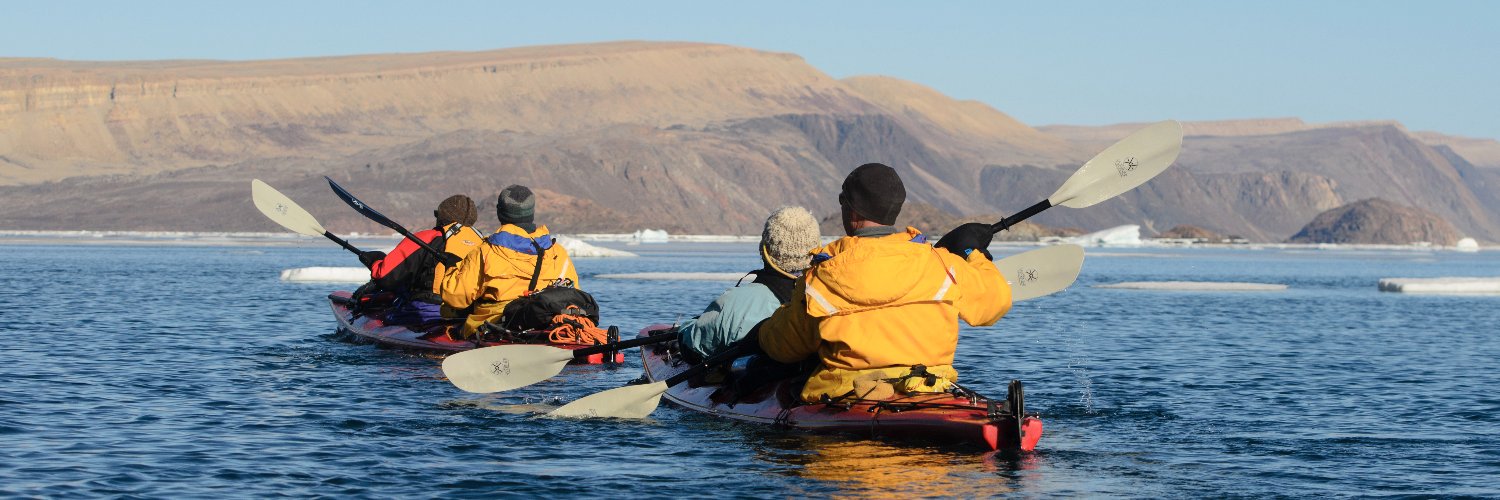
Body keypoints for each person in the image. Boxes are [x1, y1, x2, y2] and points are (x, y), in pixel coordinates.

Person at [751, 163, 1012, 403]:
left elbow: (784, 346)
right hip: (929, 389)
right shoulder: (943, 264)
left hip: (845, 399)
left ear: (851, 209)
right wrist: (971, 253)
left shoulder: (822, 274)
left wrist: (761, 334)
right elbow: (996, 303)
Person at [677, 206, 821, 360]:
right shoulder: (831, 297)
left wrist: (686, 328)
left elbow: (693, 344)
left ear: (765, 249)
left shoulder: (733, 304)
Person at [440, 185, 580, 339]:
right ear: (532, 212)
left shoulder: (485, 252)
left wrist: (453, 267)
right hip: (545, 326)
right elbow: (572, 293)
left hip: (493, 328)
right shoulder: (558, 253)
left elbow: (455, 297)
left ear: (499, 212)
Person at [358, 194, 484, 324]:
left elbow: (385, 277)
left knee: (380, 312)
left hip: (425, 311)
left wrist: (375, 261)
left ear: (443, 217)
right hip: (469, 314)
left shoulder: (427, 238)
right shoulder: (483, 243)